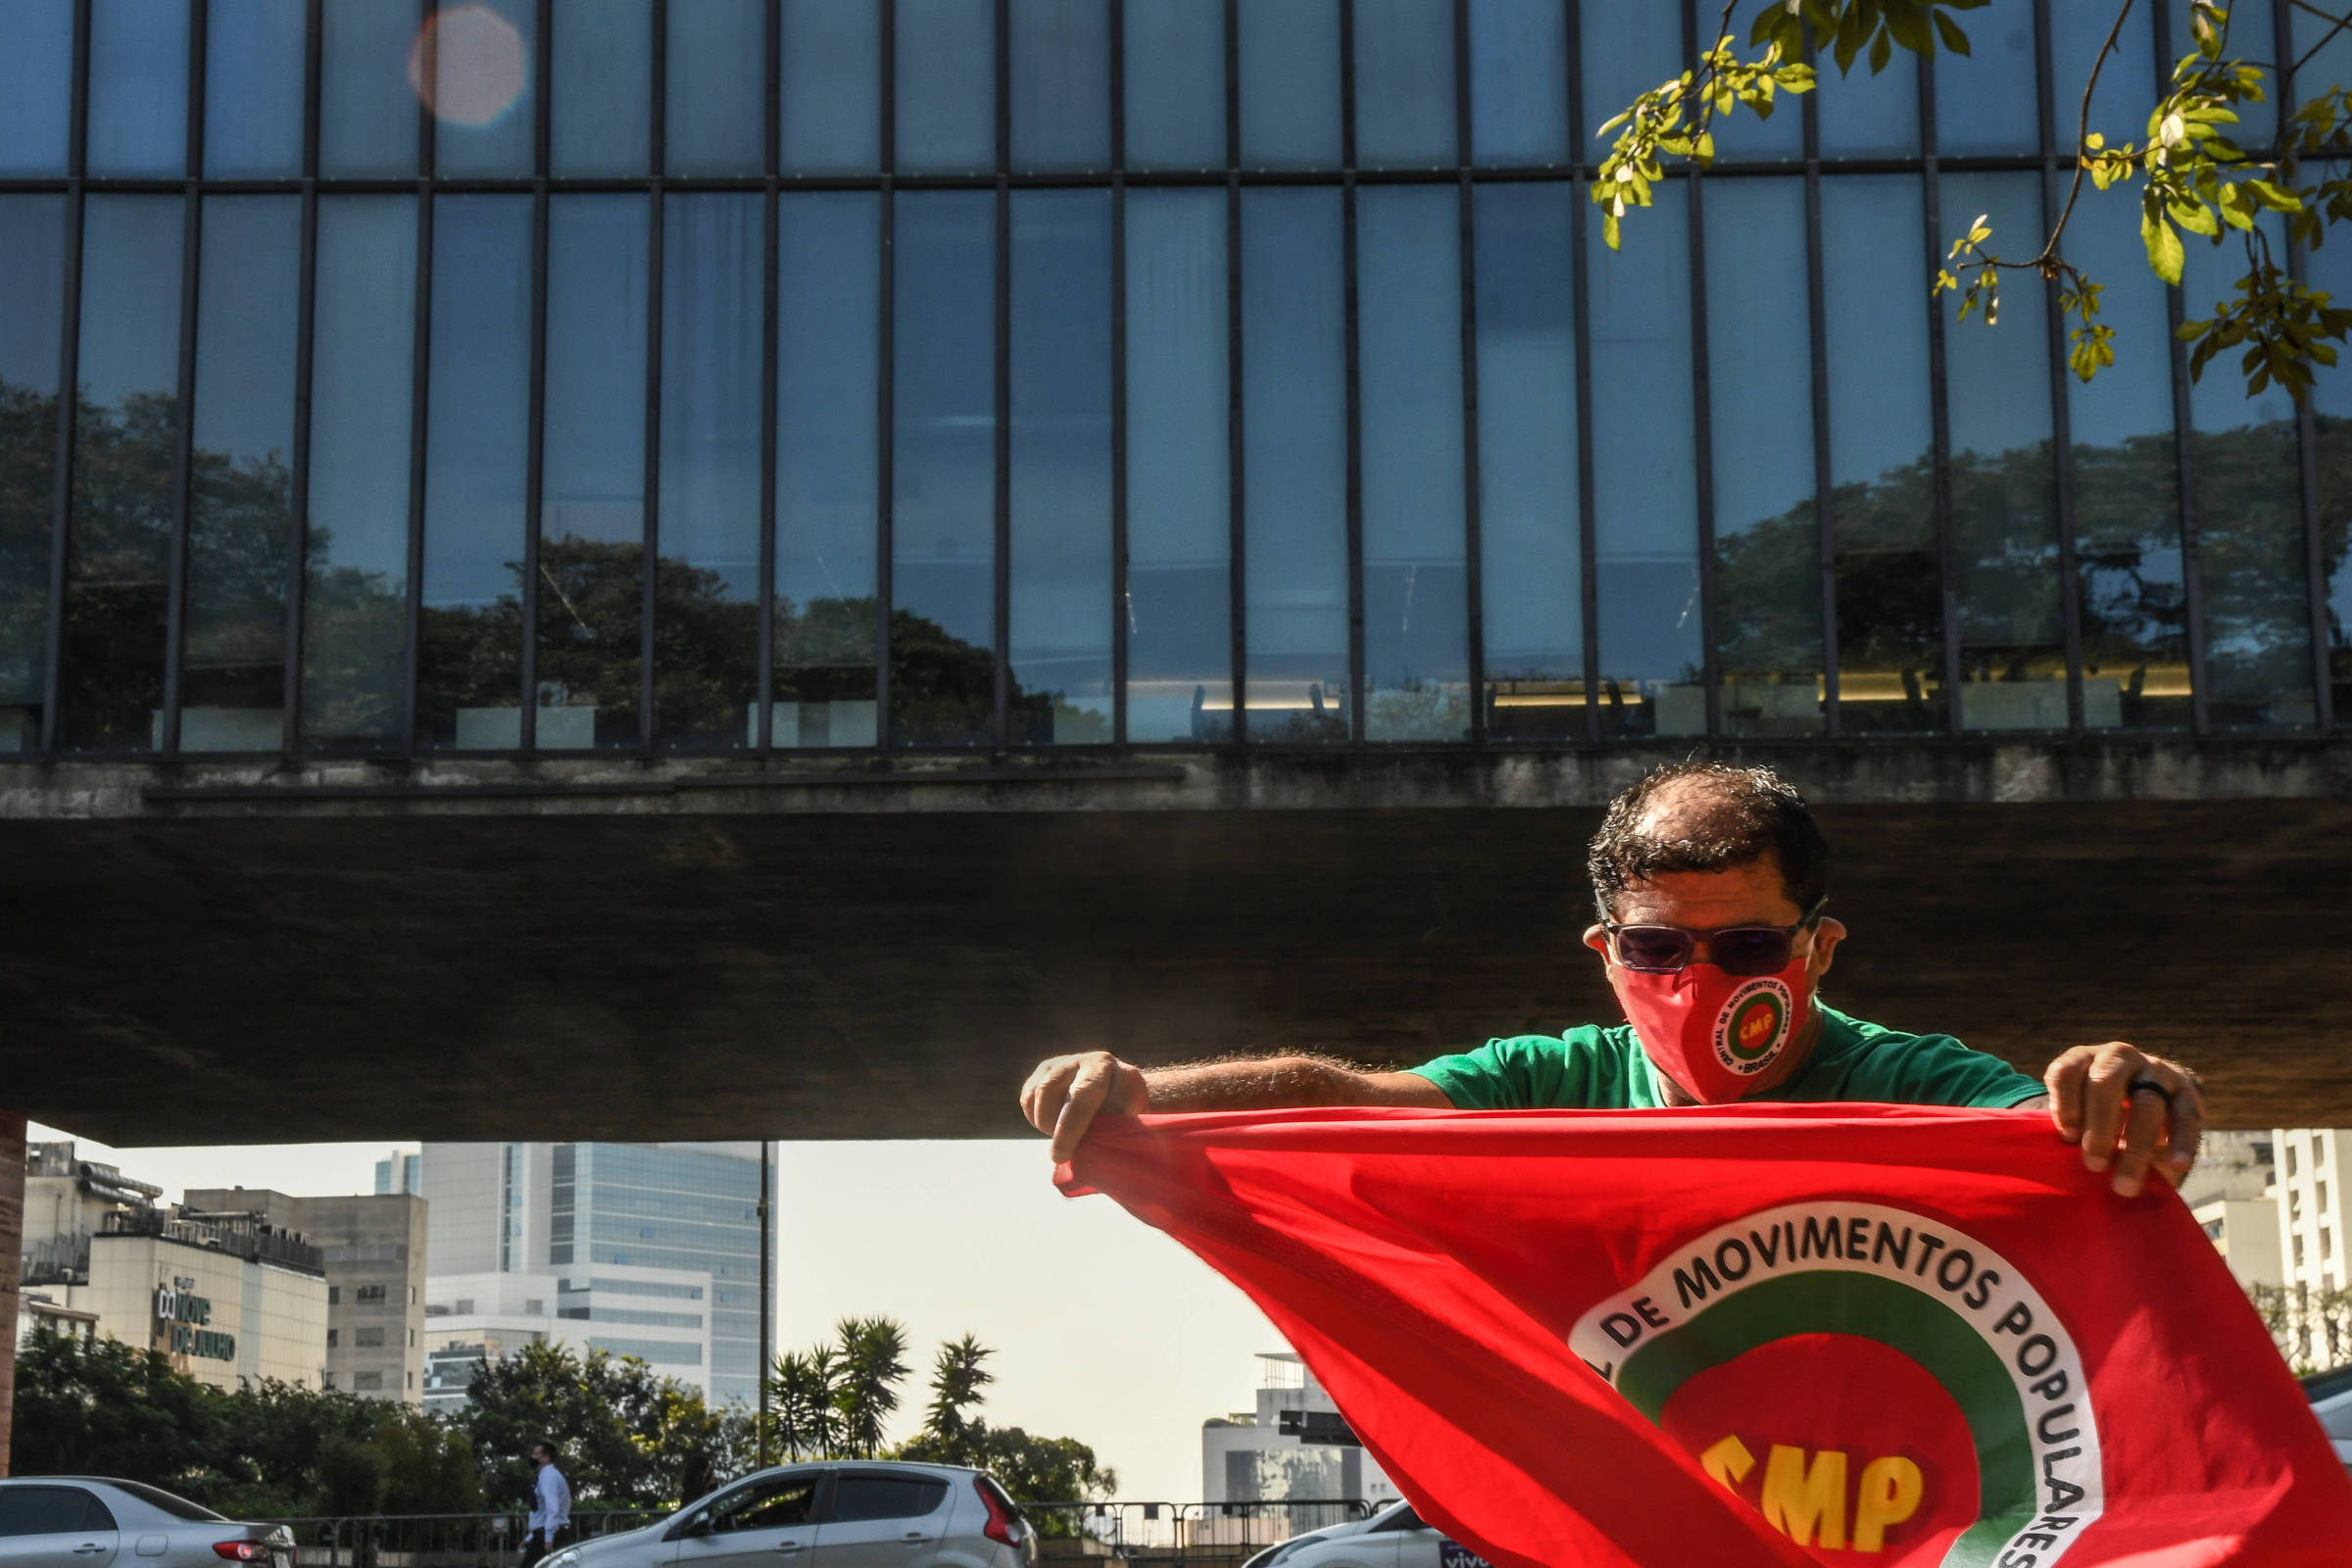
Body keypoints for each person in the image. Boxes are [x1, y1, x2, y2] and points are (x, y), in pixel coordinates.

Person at [1022, 761, 2203, 1196]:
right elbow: (1337, 1092)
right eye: (1655, 949)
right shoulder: (1554, 1081)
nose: (1697, 983)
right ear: (1607, 955)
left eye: (1743, 947)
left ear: (1818, 950)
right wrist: (1140, 1092)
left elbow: (2054, 1138)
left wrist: (2131, 1095)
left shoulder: (1906, 1079)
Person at [521, 1440, 572, 1568]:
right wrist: (529, 1538)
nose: (532, 1457)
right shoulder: (547, 1476)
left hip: (547, 1535)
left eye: (535, 1454)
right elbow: (542, 1511)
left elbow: (552, 1509)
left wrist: (548, 1538)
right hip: (545, 1533)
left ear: (546, 1458)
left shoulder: (548, 1477)